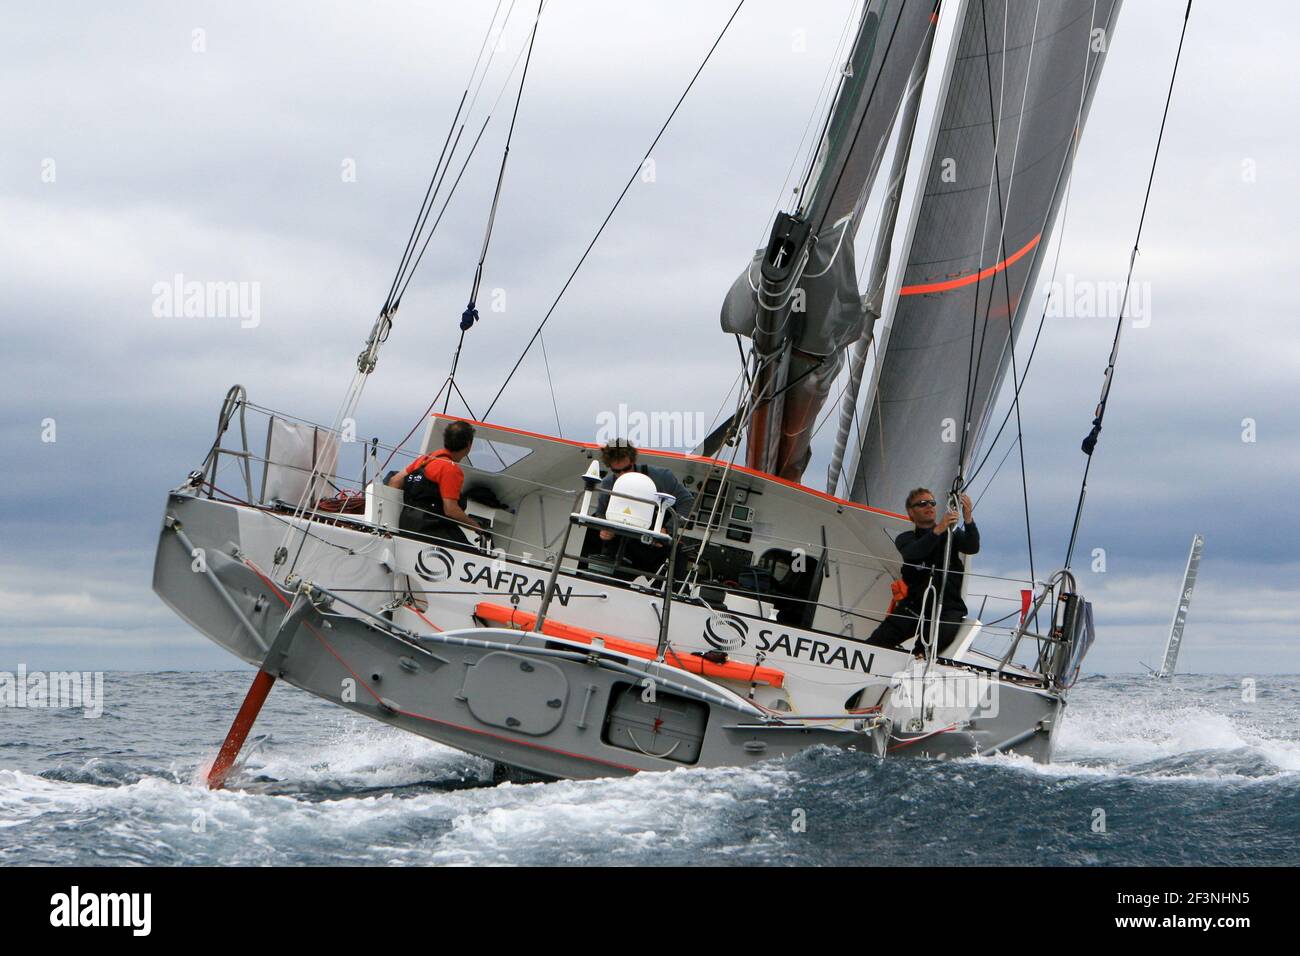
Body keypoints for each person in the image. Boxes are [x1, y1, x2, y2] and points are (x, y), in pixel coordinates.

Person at [867, 487, 979, 658]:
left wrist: (968, 518)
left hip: (947, 609)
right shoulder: (905, 538)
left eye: (932, 503)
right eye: (922, 504)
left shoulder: (951, 536)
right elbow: (914, 552)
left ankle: (915, 661)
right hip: (914, 607)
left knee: (927, 648)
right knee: (875, 644)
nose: (929, 506)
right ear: (911, 512)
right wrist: (939, 529)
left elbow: (972, 547)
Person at [592, 439, 694, 576]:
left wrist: (668, 529)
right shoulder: (608, 483)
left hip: (658, 545)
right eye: (617, 471)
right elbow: (601, 513)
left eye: (627, 469)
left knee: (677, 558)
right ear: (610, 467)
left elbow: (687, 501)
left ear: (633, 461)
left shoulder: (661, 477)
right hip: (625, 545)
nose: (623, 474)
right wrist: (605, 529)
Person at [386, 420, 483, 544]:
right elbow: (451, 510)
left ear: (446, 440)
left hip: (406, 524)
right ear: (469, 444)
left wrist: (390, 520)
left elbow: (395, 480)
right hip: (430, 528)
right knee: (473, 553)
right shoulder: (450, 469)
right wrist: (477, 527)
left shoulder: (425, 460)